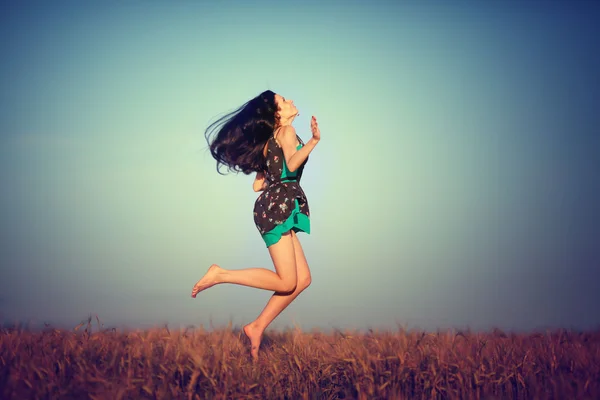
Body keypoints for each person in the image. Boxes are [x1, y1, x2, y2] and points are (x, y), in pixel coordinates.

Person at [191, 90, 320, 361]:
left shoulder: (270, 140)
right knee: (287, 281)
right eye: (284, 101)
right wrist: (314, 141)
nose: (291, 101)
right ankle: (220, 274)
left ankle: (256, 326)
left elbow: (257, 184)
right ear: (277, 114)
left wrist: (275, 172)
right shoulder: (286, 132)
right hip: (278, 207)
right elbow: (293, 162)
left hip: (277, 204)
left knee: (302, 280)